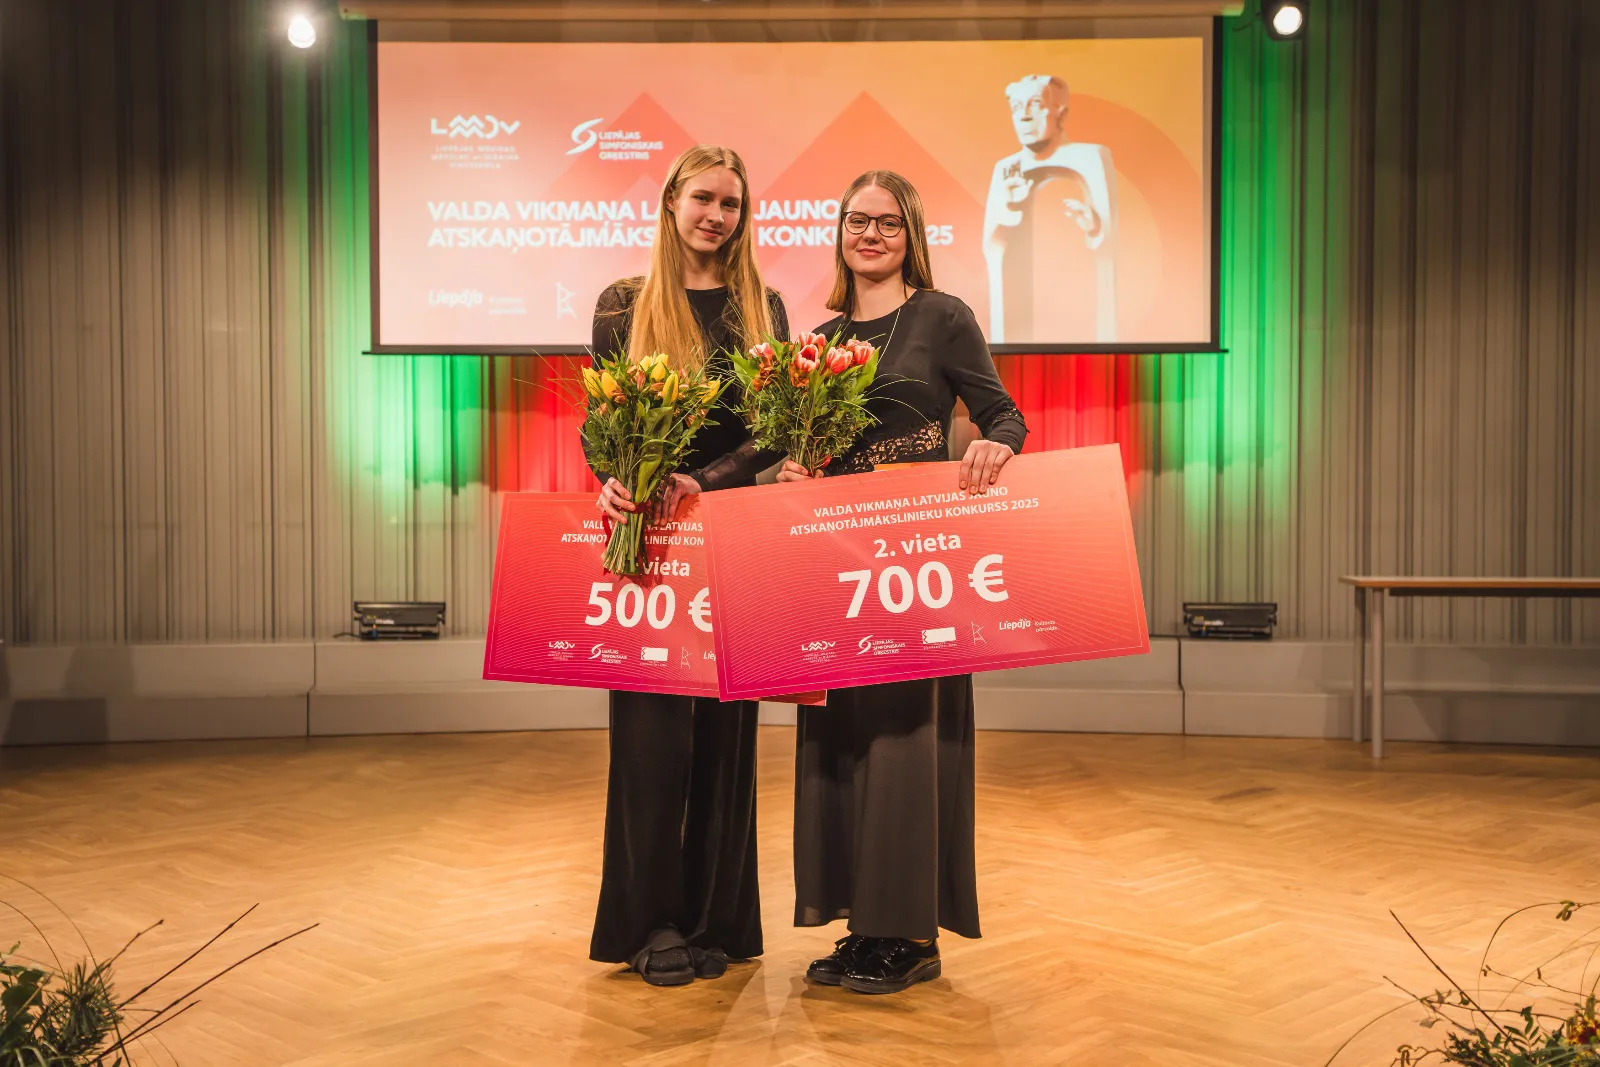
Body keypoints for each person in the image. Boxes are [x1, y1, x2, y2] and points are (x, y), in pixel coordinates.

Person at [776, 170, 1028, 994]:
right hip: (837, 564)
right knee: (841, 741)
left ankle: (911, 934)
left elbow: (1004, 413)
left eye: (888, 222)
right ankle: (863, 925)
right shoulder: (819, 340)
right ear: (840, 232)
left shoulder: (942, 316)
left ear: (910, 233)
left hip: (918, 566)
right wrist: (792, 471)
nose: (871, 235)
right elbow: (804, 453)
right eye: (859, 220)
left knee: (906, 743)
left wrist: (996, 444)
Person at [585, 144, 789, 986]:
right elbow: (601, 423)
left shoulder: (763, 307)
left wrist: (702, 480)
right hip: (650, 546)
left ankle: (712, 919)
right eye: (704, 198)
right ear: (672, 200)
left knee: (724, 741)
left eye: (731, 204)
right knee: (650, 740)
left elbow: (774, 432)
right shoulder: (623, 304)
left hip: (729, 535)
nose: (717, 216)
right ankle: (650, 921)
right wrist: (611, 480)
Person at [982, 74, 1118, 344]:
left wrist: (1093, 226)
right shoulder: (1006, 168)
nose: (1024, 116)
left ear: (1061, 114)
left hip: (1079, 302)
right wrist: (1010, 207)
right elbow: (993, 245)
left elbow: (1109, 240)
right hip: (1023, 313)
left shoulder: (1090, 157)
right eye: (1016, 108)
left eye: (1035, 104)